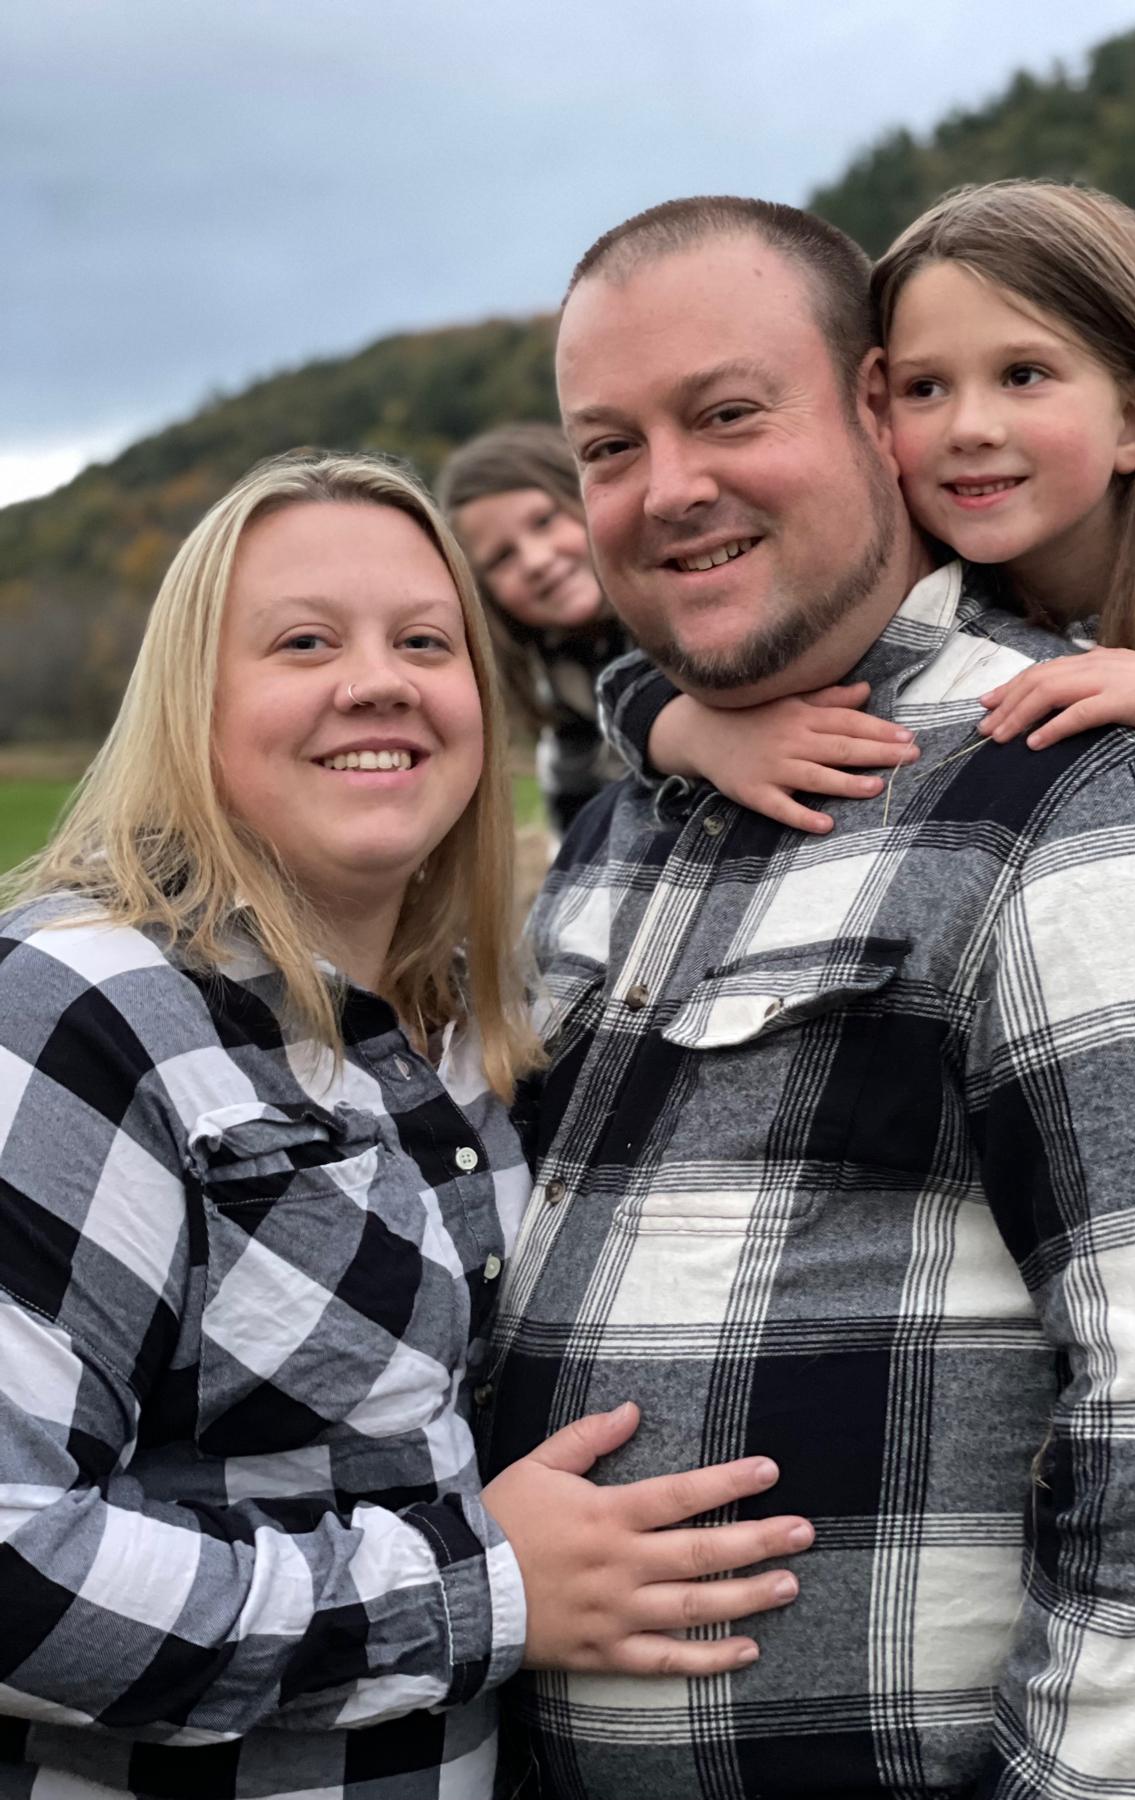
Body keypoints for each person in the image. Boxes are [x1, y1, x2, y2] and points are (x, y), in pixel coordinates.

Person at [479, 196, 1135, 1798]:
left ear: (863, 415)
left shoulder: (1100, 760)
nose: (666, 487)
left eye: (728, 414)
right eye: (607, 446)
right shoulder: (617, 828)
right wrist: (676, 729)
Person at [0, 451, 814, 1800]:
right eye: (304, 642)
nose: (377, 681)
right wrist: (477, 1591)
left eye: (425, 642)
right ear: (192, 704)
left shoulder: (474, 1030)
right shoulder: (85, 1007)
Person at [437, 423, 629, 838]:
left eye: (544, 521)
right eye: (503, 557)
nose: (536, 560)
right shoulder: (558, 692)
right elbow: (575, 831)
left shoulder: (680, 625)